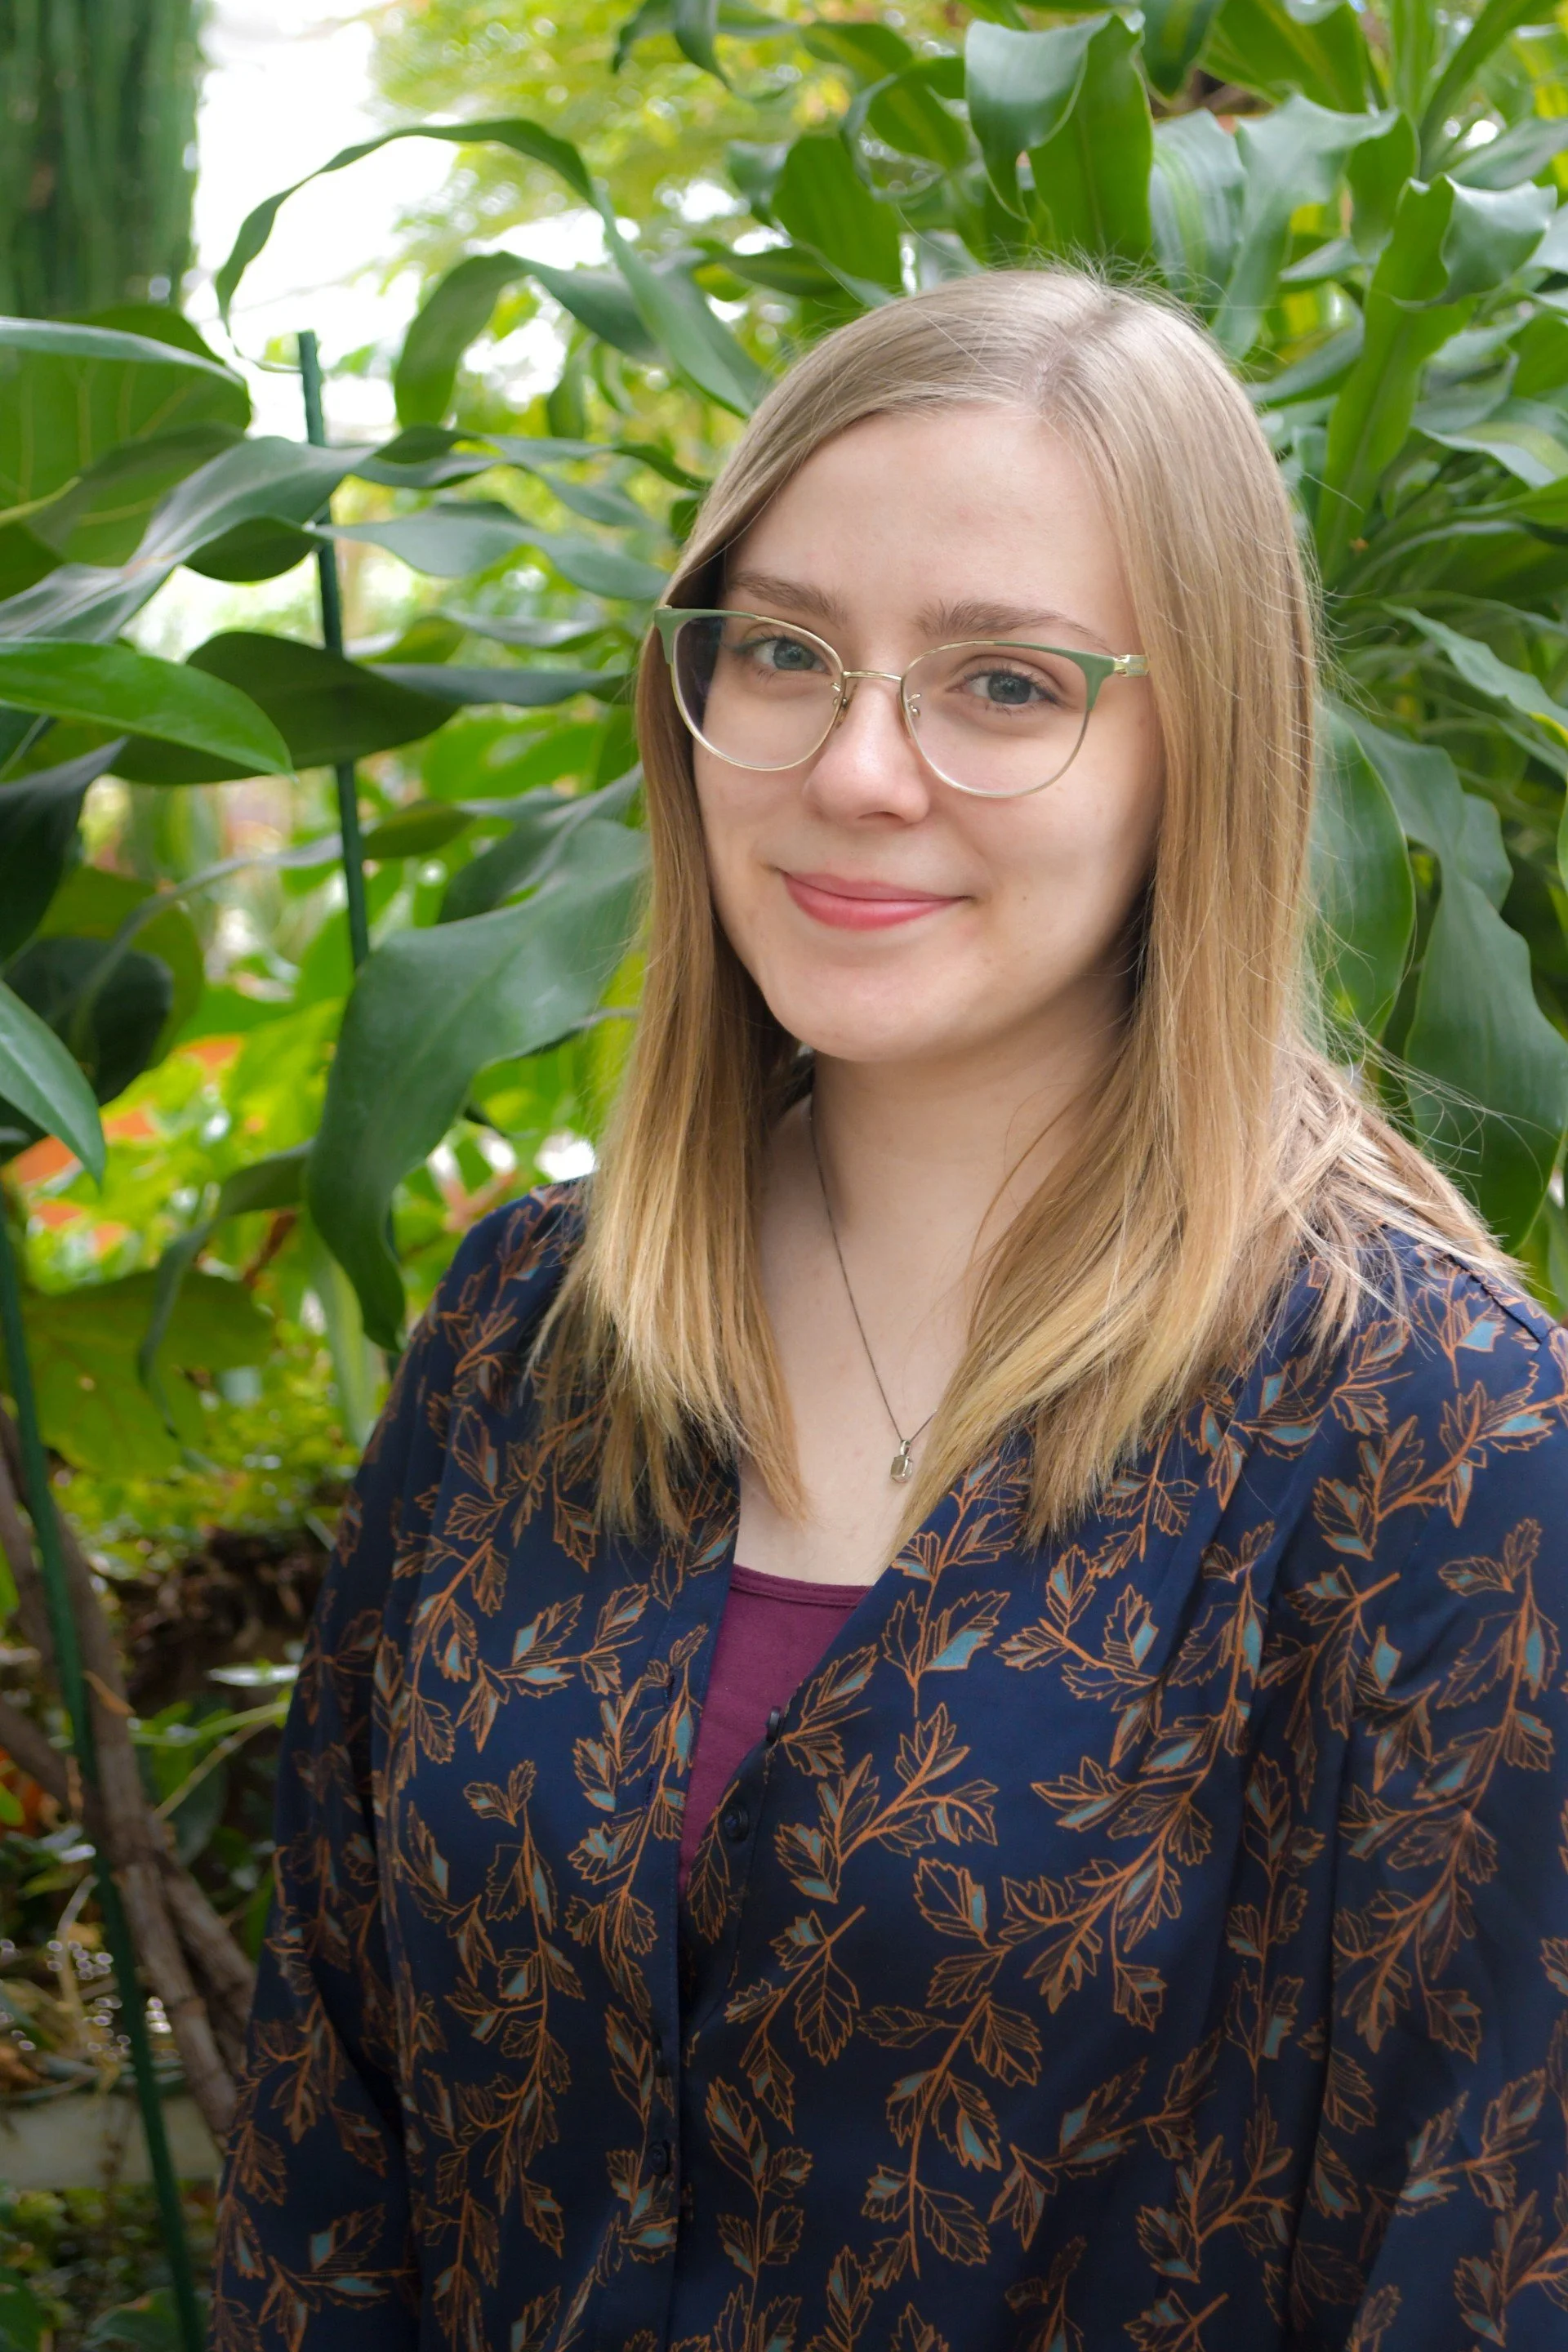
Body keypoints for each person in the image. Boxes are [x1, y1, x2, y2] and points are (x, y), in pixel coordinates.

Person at [207, 267, 1568, 2352]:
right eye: (783, 653)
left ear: (1202, 749)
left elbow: (1480, 2256)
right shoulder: (521, 1342)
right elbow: (329, 2132)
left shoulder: (1442, 1448)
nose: (855, 769)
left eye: (1005, 685)